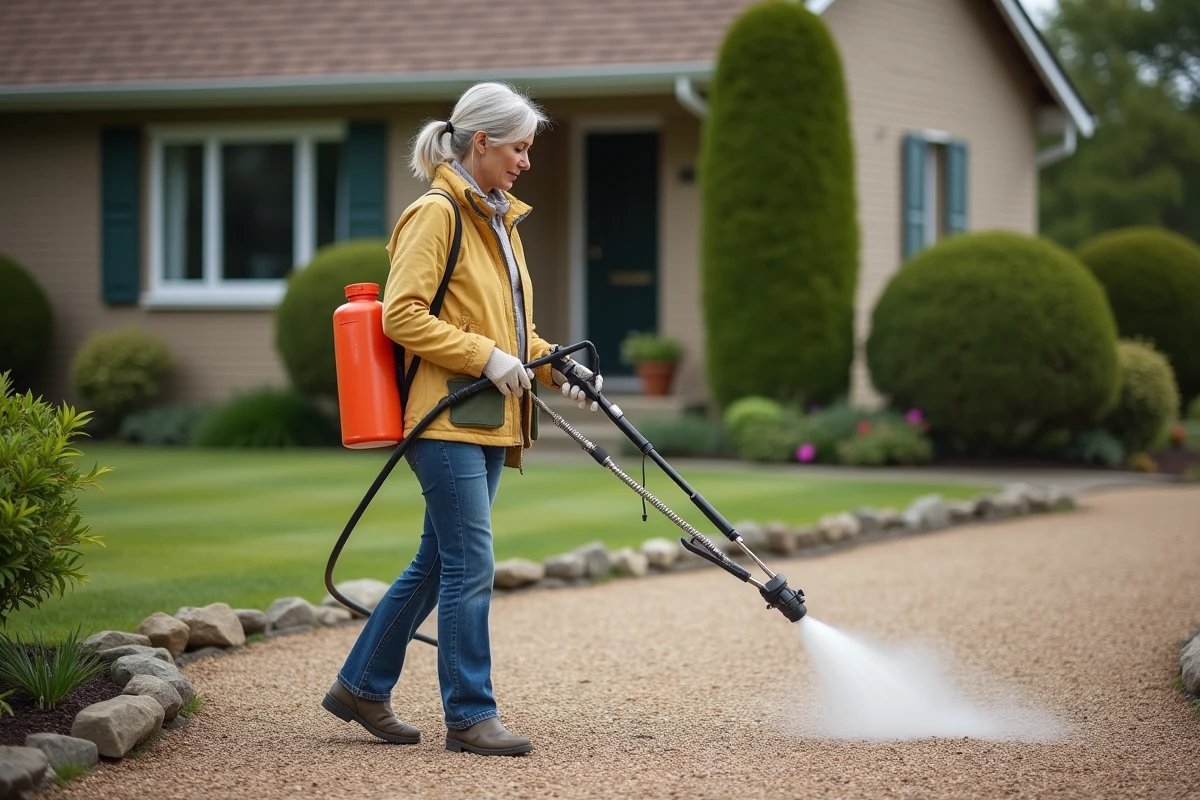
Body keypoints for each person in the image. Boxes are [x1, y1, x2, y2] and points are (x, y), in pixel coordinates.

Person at [322, 82, 602, 757]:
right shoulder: (437, 212)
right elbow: (402, 315)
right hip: (444, 419)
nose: (525, 162)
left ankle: (361, 685)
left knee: (438, 559)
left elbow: (512, 330)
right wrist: (485, 355)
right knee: (471, 562)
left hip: (485, 420)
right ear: (481, 143)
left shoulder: (499, 220)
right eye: (518, 148)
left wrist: (558, 365)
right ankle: (471, 715)